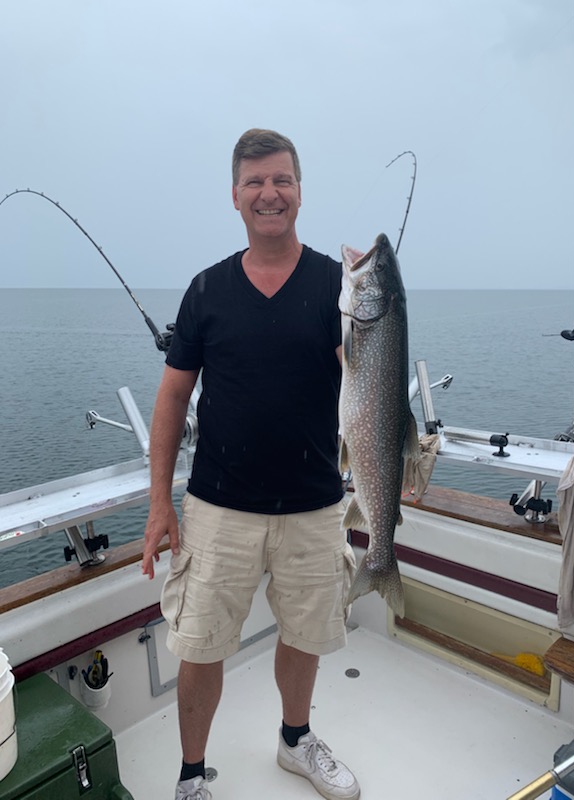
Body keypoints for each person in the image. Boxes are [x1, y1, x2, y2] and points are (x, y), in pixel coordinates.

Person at [142, 128, 359, 800]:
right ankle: (190, 775)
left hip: (315, 504)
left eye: (283, 180)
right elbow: (174, 396)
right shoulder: (206, 290)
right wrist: (158, 505)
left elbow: (367, 377)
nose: (270, 194)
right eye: (256, 182)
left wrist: (370, 315)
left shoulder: (340, 286)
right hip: (217, 508)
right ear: (235, 196)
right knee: (200, 644)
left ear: (300, 191)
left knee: (305, 634)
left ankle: (296, 740)